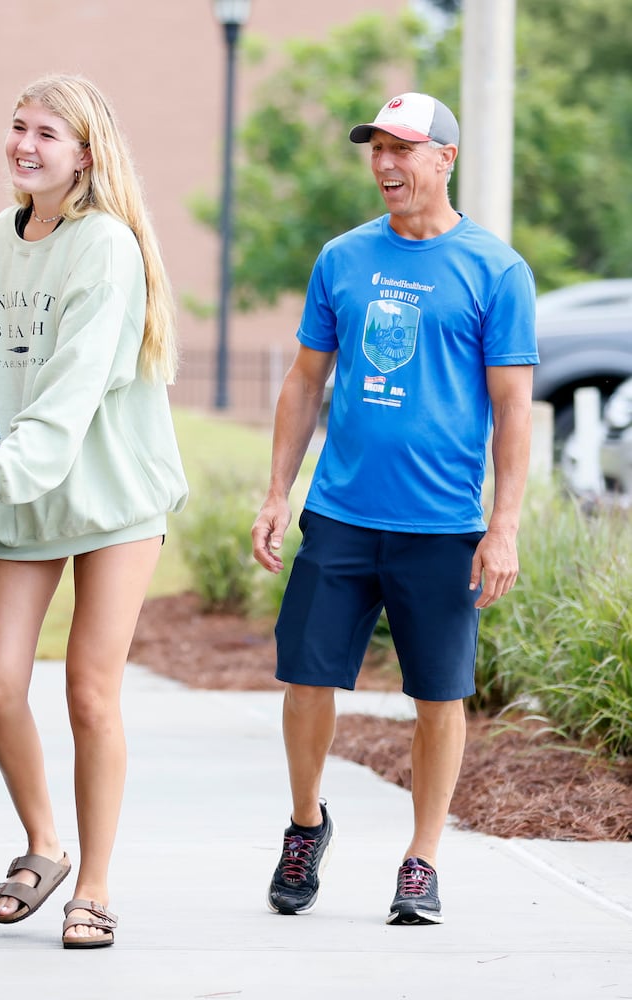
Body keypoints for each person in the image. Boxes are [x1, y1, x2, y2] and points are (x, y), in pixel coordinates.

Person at [251, 92, 537, 925]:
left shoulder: (496, 269)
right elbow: (306, 381)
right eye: (376, 147)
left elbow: (514, 409)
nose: (385, 163)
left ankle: (422, 859)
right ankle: (307, 824)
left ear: (445, 159)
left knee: (438, 698)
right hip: (341, 514)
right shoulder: (343, 259)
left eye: (403, 148)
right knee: (306, 680)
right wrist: (279, 493)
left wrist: (503, 524)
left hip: (444, 526)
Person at [0, 74, 188, 949]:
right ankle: (45, 844)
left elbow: (71, 392)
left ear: (86, 153)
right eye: (17, 127)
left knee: (90, 691)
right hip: (21, 488)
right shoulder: (0, 239)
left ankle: (99, 883)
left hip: (111, 494)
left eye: (47, 132)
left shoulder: (106, 246)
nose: (25, 144)